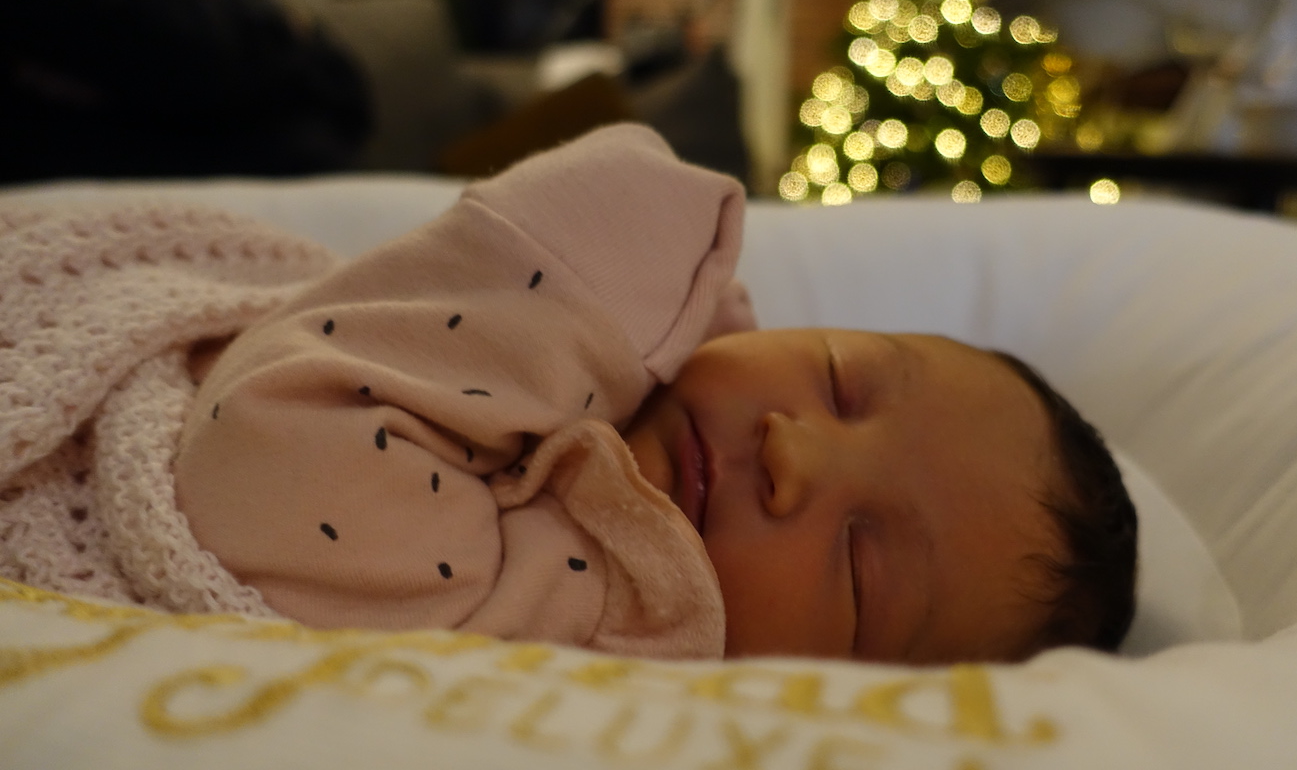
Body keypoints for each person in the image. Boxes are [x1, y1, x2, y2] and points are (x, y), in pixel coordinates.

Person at [0, 124, 1135, 662]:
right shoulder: (662, 350)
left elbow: (276, 451)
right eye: (840, 382)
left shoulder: (598, 610)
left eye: (858, 562)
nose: (795, 455)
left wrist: (588, 286)